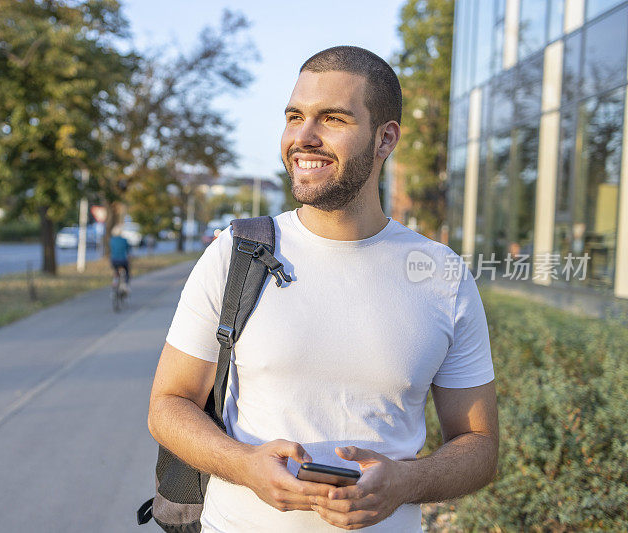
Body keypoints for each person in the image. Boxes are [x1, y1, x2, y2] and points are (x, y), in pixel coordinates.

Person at [148, 46, 498, 532]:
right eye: (294, 116)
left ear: (385, 139)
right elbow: (169, 404)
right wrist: (243, 465)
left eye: (331, 118)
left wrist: (405, 482)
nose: (303, 137)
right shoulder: (236, 253)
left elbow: (479, 445)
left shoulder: (442, 274)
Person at [109, 225, 131, 289]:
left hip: (114, 260)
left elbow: (112, 250)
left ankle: (115, 281)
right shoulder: (124, 240)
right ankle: (125, 284)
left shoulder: (112, 240)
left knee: (116, 270)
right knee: (127, 271)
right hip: (123, 260)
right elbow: (128, 250)